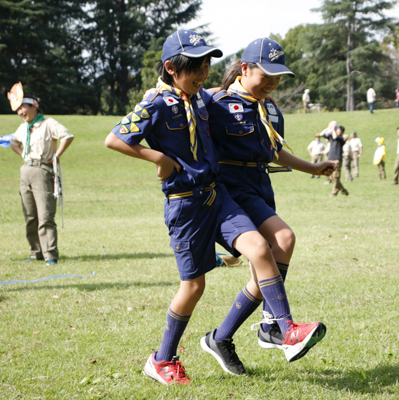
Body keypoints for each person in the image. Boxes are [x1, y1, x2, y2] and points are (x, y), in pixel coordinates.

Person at [106, 31, 328, 385]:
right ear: (171, 67)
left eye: (207, 64)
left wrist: (313, 167)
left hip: (217, 194)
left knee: (260, 247)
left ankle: (284, 329)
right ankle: (162, 359)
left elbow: (248, 125)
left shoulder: (200, 100)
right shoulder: (162, 103)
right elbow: (114, 138)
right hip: (185, 205)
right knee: (194, 287)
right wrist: (158, 157)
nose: (203, 72)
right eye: (194, 66)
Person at [204, 37, 332, 373]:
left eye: (278, 78)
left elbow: (274, 151)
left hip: (259, 184)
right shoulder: (216, 102)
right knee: (266, 250)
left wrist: (313, 167)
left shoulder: (269, 107)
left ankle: (235, 334)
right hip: (229, 187)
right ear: (244, 69)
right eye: (267, 76)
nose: (272, 84)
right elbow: (181, 109)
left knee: (283, 244)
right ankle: (282, 328)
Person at [8, 83, 73, 266]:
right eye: (18, 108)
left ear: (34, 106)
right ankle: (35, 252)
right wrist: (22, 155)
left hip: (43, 171)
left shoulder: (48, 123)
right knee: (30, 215)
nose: (21, 111)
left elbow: (67, 136)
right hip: (25, 170)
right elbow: (14, 142)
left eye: (24, 107)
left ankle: (50, 254)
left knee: (45, 215)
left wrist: (56, 155)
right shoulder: (23, 127)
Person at [320, 124, 349, 196]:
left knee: (336, 177)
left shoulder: (341, 139)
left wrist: (333, 129)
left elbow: (335, 137)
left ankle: (333, 193)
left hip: (337, 160)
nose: (339, 133)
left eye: (340, 132)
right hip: (330, 159)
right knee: (332, 177)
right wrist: (328, 127)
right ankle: (344, 191)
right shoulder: (331, 137)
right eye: (338, 131)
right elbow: (321, 134)